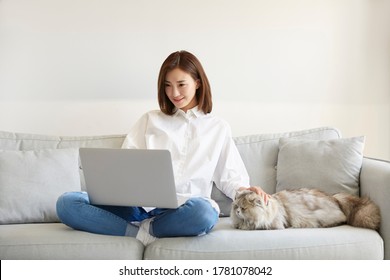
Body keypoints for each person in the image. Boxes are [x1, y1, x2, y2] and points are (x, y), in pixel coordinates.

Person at [56, 50, 269, 246]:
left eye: (181, 84)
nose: (173, 92)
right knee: (67, 203)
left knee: (205, 213)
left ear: (197, 83)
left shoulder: (218, 128)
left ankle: (140, 232)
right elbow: (125, 165)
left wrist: (246, 191)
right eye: (167, 85)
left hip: (184, 210)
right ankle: (142, 233)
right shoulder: (150, 120)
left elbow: (230, 178)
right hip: (137, 207)